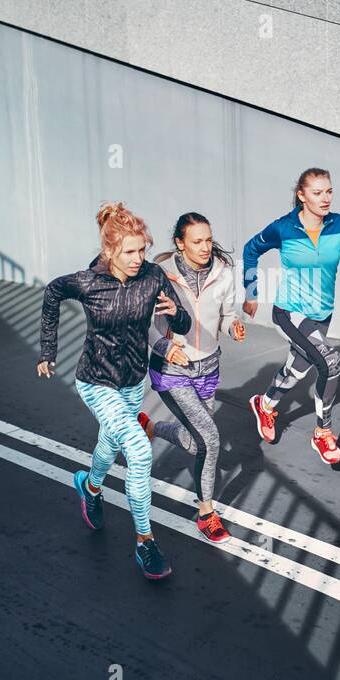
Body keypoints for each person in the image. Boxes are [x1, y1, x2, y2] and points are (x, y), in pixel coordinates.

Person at [37, 202, 191, 580]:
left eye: (142, 249)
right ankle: (145, 543)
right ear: (109, 252)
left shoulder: (153, 276)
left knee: (110, 442)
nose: (139, 258)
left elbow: (184, 324)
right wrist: (47, 350)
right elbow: (52, 294)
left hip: (132, 381)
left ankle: (89, 487)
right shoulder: (88, 281)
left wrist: (175, 312)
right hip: (95, 381)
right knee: (138, 449)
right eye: (130, 251)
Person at [242, 167, 340, 465]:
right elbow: (250, 250)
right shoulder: (283, 228)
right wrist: (251, 292)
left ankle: (265, 404)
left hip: (322, 314)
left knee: (297, 368)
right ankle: (323, 433)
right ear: (301, 195)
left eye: (329, 191)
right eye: (317, 192)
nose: (325, 198)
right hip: (289, 311)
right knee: (330, 363)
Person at [137, 213, 245, 543]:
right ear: (180, 244)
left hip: (208, 368)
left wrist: (233, 326)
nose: (205, 247)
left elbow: (227, 314)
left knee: (191, 439)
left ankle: (151, 428)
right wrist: (167, 347)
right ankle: (207, 513)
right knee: (210, 439)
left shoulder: (224, 273)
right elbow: (147, 326)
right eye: (196, 241)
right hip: (172, 370)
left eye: (209, 240)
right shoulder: (161, 274)